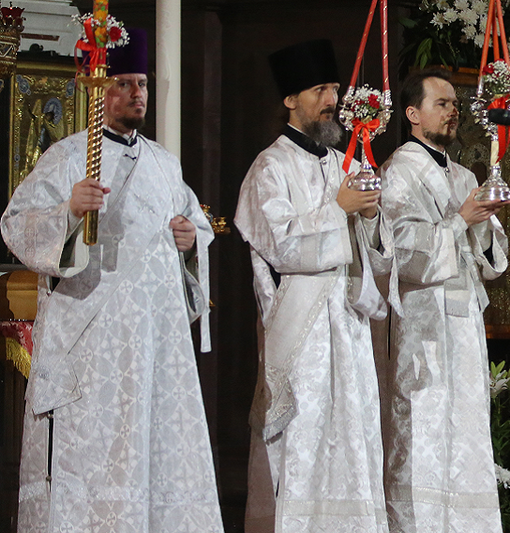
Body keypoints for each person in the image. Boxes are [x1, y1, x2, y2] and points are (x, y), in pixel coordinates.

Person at [0, 28, 223, 532]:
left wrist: (191, 239)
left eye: (140, 83)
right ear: (98, 89)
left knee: (154, 451)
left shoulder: (166, 164)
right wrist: (69, 211)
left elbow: (196, 227)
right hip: (93, 341)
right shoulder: (67, 157)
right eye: (123, 83)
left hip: (155, 344)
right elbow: (15, 224)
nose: (136, 93)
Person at [236, 39, 390, 533]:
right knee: (305, 437)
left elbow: (378, 251)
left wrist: (369, 219)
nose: (331, 99)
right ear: (290, 100)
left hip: (345, 322)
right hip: (300, 326)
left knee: (352, 433)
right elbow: (281, 248)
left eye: (334, 88)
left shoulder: (343, 163)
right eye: (320, 89)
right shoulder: (269, 167)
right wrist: (340, 210)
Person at [375, 68, 510, 533]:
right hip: (423, 323)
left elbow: (493, 261)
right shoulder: (396, 172)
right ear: (413, 114)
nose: (453, 111)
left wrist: (478, 223)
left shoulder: (464, 173)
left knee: (466, 430)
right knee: (423, 430)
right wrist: (459, 220)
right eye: (442, 103)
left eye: (455, 104)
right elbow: (403, 254)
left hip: (464, 323)